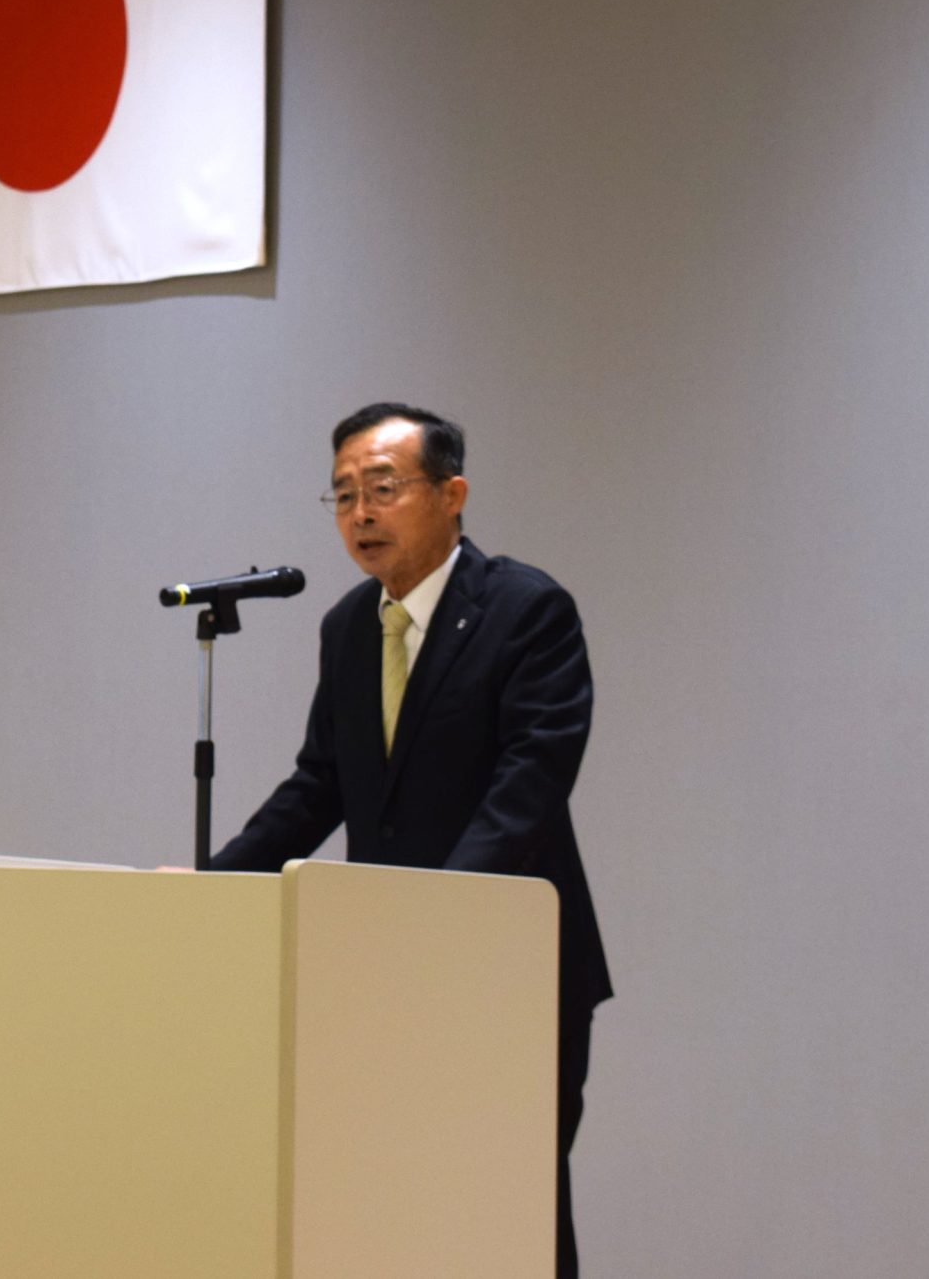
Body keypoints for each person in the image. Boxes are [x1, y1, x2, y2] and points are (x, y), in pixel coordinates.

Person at [206, 401, 610, 1279]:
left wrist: (434, 913)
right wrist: (213, 884)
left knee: (512, 1208)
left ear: (451, 494)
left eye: (383, 487)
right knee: (394, 1203)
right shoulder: (349, 627)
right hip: (383, 970)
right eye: (344, 493)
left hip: (507, 968)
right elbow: (320, 784)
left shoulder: (526, 609)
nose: (361, 512)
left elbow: (530, 782)